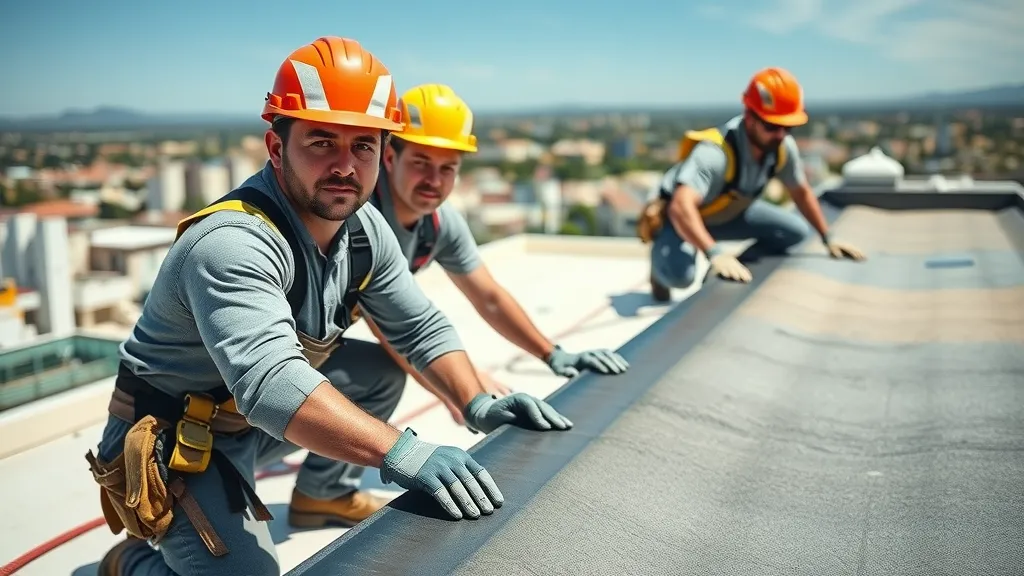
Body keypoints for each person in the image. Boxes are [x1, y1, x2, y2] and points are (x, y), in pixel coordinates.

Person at [87, 36, 573, 576]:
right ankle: (130, 565)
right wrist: (404, 453)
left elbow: (418, 327)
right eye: (322, 142)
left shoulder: (363, 230)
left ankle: (322, 497)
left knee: (379, 371)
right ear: (276, 148)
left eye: (362, 146)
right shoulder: (232, 242)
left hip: (251, 424)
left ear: (381, 154)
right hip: (176, 439)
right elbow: (272, 384)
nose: (346, 165)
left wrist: (477, 401)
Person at [355, 82, 630, 426]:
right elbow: (393, 325)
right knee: (380, 377)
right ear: (391, 157)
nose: (433, 181)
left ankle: (323, 484)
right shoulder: (361, 217)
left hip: (316, 345)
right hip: (282, 348)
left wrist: (553, 355)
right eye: (421, 162)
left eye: (447, 168)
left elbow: (490, 298)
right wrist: (463, 393)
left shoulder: (438, 224)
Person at [638, 67, 866, 301]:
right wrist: (715, 253)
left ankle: (728, 267)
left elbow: (800, 191)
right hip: (680, 218)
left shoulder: (781, 148)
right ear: (749, 117)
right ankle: (659, 271)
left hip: (727, 213)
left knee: (795, 233)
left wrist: (828, 238)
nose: (780, 135)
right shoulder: (714, 154)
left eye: (787, 127)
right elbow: (680, 206)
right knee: (681, 276)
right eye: (771, 126)